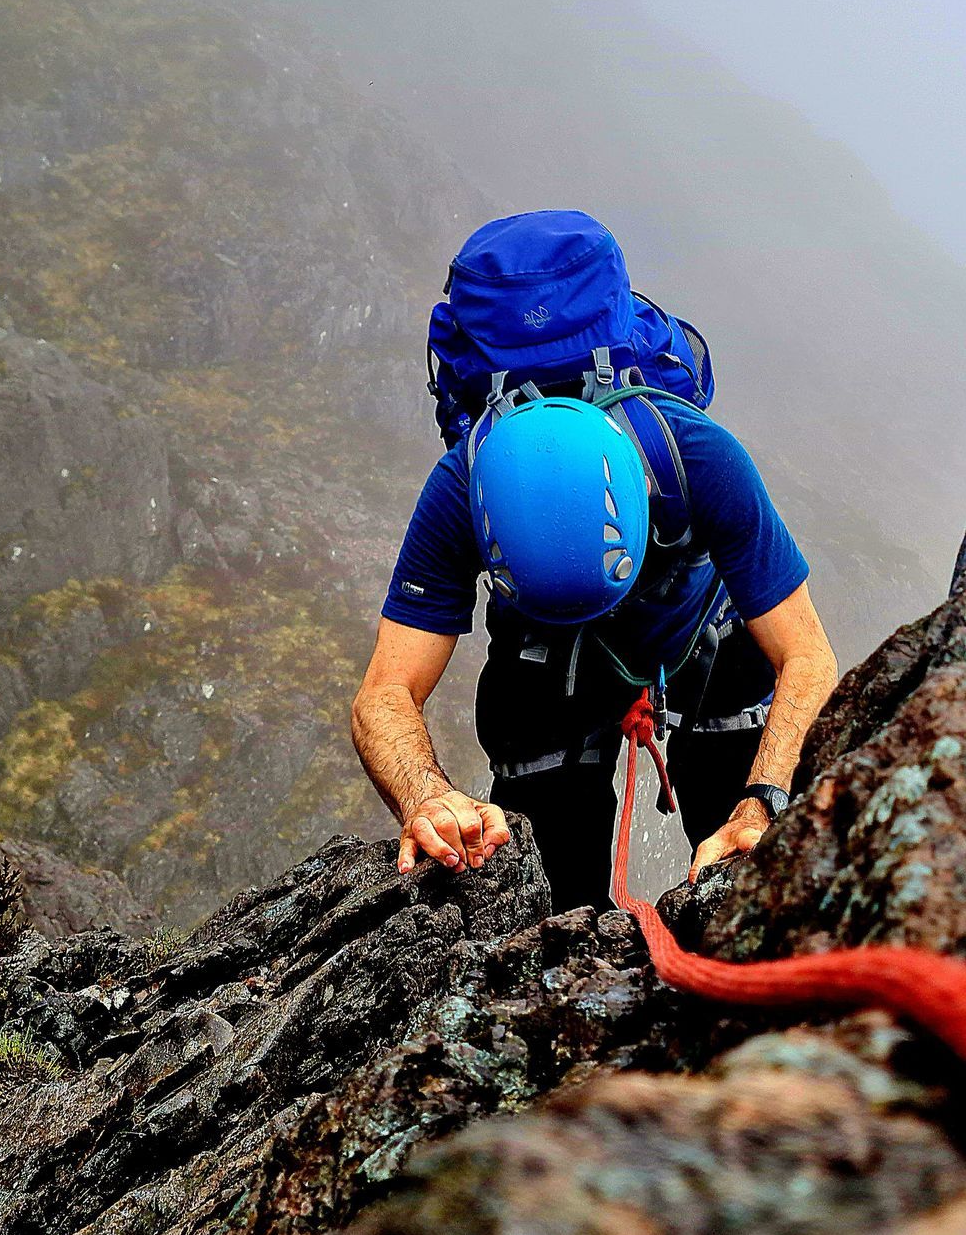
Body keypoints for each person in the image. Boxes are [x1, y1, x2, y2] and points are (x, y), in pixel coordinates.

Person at [350, 211, 839, 911]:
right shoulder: (463, 486)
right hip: (551, 672)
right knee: (555, 898)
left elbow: (807, 656)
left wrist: (761, 806)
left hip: (704, 645)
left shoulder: (696, 455)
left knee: (748, 872)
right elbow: (384, 693)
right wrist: (428, 798)